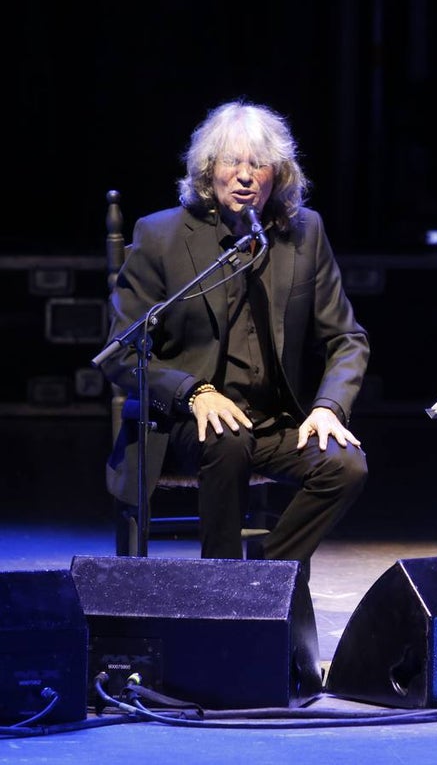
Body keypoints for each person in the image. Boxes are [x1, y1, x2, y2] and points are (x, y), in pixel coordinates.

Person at [100, 99, 370, 577]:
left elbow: (347, 337)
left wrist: (329, 406)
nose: (245, 175)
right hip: (186, 422)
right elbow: (122, 351)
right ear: (209, 170)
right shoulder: (161, 236)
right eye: (232, 162)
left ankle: (265, 572)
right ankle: (220, 583)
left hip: (276, 420)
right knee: (227, 439)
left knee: (346, 466)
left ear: (277, 176)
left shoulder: (305, 233)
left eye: (258, 164)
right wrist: (193, 392)